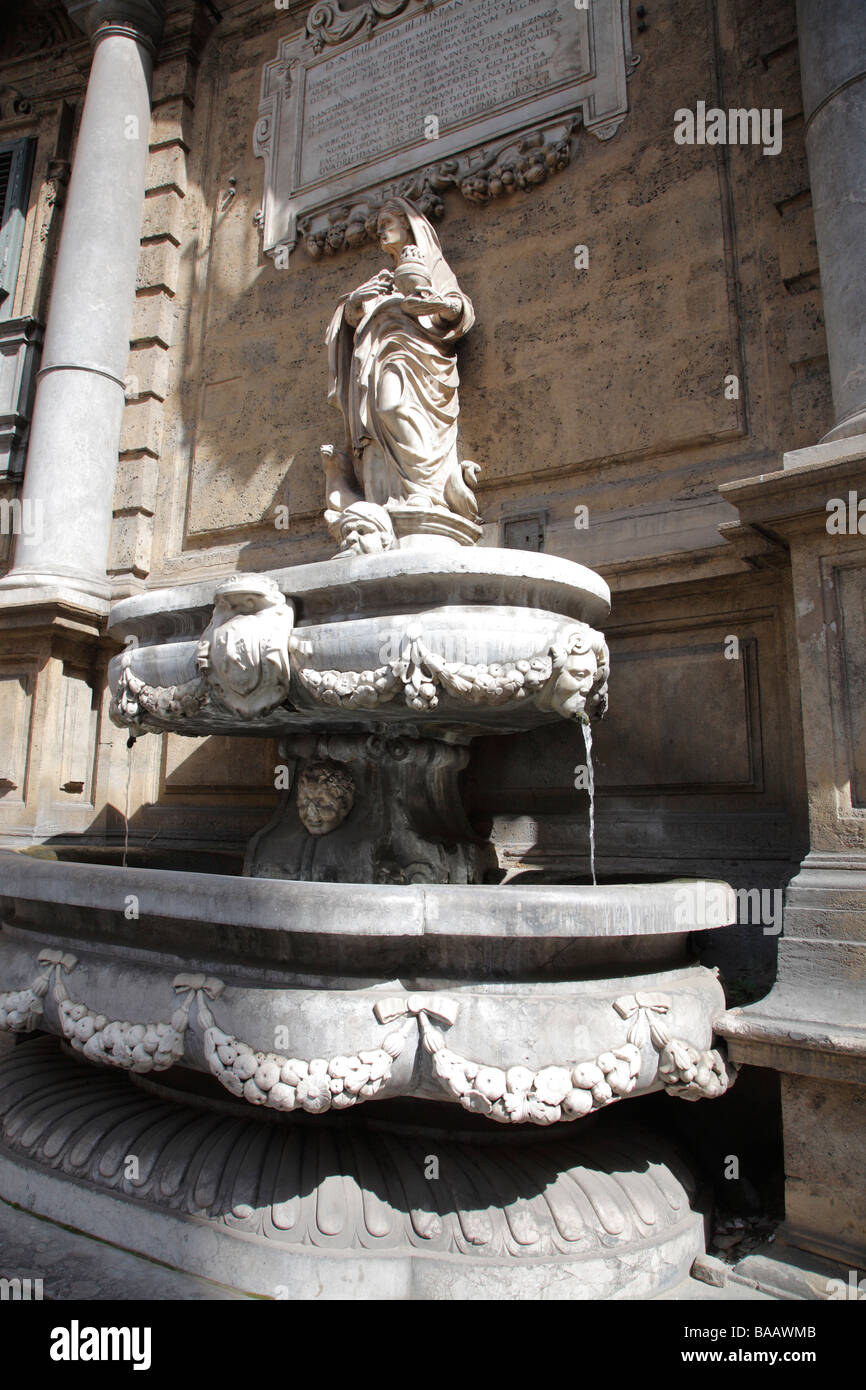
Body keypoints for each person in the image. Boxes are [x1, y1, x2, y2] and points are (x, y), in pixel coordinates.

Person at [325, 197, 479, 522]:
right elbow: (350, 321)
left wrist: (435, 306)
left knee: (391, 408)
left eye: (387, 225)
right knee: (379, 422)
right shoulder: (381, 280)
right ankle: (385, 498)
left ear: (406, 225)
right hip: (378, 360)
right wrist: (354, 304)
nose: (381, 233)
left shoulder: (430, 265)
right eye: (378, 227)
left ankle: (427, 491)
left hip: (415, 357)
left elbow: (459, 306)